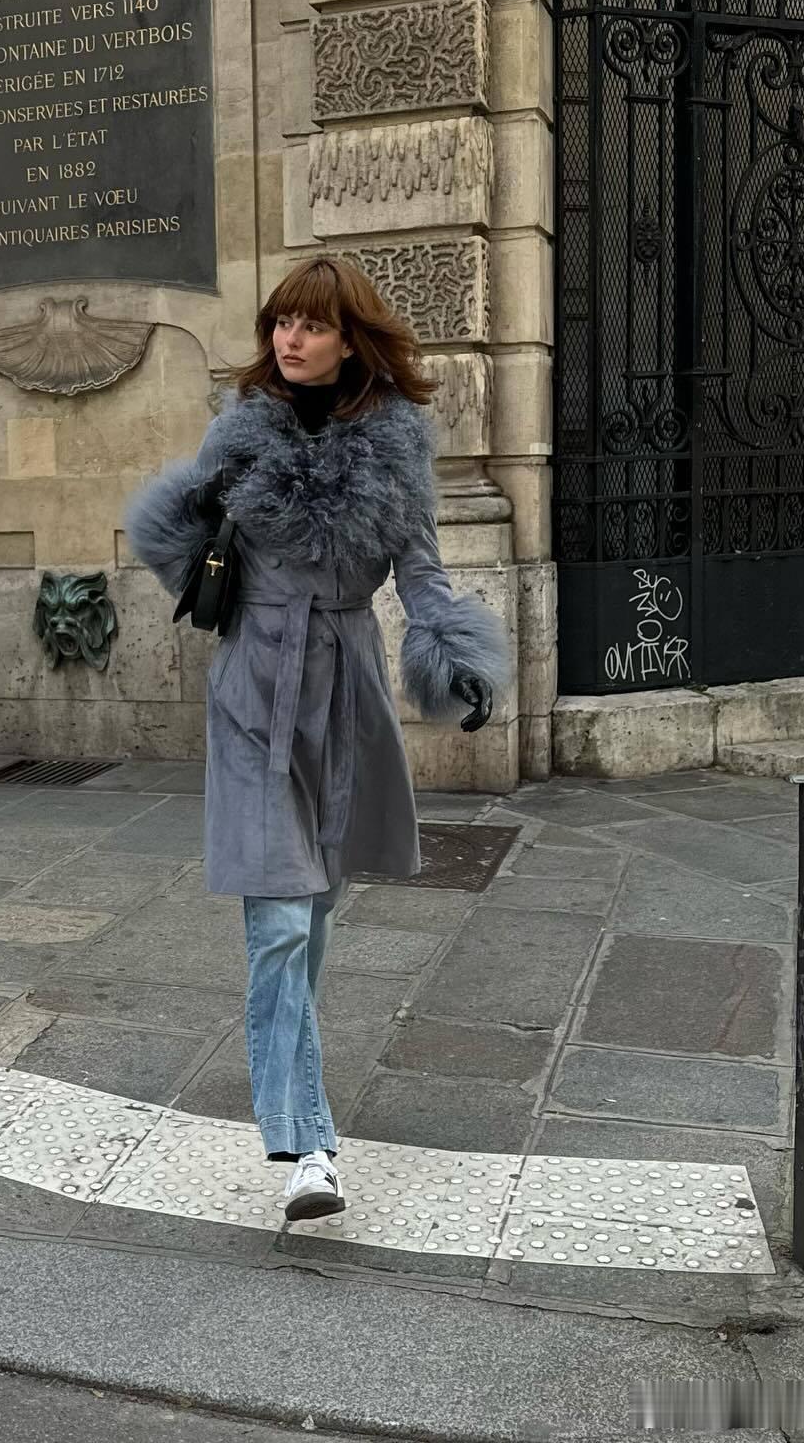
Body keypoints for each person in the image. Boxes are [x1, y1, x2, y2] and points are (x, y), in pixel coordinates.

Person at [123, 257, 507, 1223]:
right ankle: (308, 1147)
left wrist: (456, 657)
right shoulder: (241, 429)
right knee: (283, 920)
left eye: (311, 325)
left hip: (346, 692)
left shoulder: (395, 448)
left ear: (349, 339)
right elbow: (175, 536)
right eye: (281, 322)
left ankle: (291, 1073)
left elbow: (421, 575)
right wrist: (210, 541)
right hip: (253, 688)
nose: (289, 339)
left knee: (314, 913)